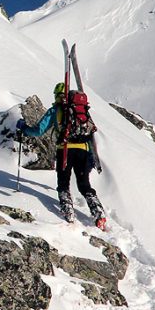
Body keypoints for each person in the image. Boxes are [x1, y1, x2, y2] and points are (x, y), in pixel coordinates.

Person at [16, 82, 106, 227]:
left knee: (63, 182)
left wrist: (23, 127)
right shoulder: (82, 111)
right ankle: (98, 213)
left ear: (58, 95)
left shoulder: (55, 111)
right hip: (83, 149)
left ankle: (68, 210)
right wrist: (91, 156)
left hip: (64, 149)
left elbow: (39, 130)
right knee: (84, 184)